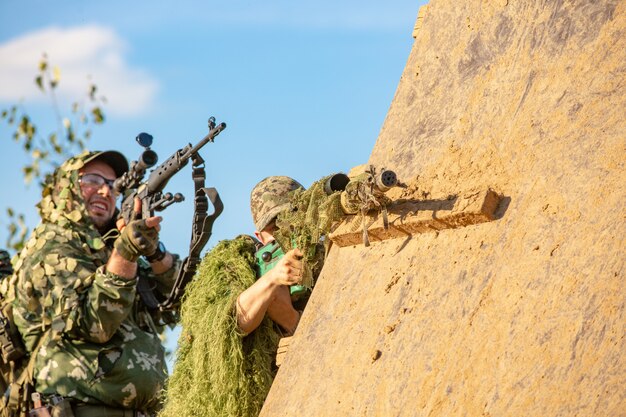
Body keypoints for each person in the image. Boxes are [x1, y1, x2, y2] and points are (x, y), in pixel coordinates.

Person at [2, 150, 180, 416]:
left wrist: (154, 253)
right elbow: (93, 323)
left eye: (112, 185)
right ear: (65, 188)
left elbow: (173, 305)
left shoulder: (107, 252)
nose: (106, 193)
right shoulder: (51, 248)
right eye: (93, 181)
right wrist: (127, 251)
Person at [161, 175, 311, 417]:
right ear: (260, 236)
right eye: (275, 229)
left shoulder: (325, 256)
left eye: (292, 223)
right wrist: (272, 280)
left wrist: (291, 318)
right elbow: (227, 325)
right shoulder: (238, 265)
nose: (286, 234)